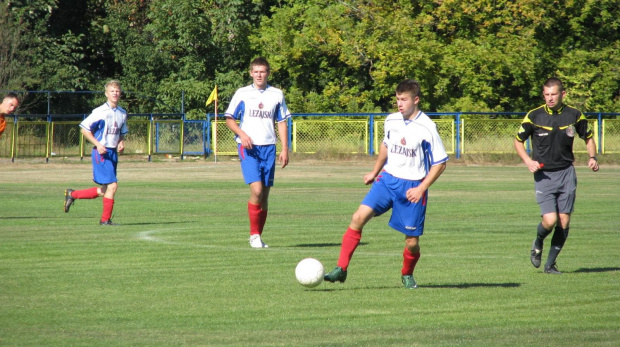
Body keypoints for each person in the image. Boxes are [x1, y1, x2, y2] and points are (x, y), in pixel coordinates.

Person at [323, 79, 448, 289]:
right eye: (398, 99)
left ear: (416, 100)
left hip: (412, 188)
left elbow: (441, 163)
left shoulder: (427, 127)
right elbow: (386, 146)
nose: (400, 104)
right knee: (358, 217)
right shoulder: (391, 120)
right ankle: (341, 269)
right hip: (387, 180)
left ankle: (407, 274)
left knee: (412, 242)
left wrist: (421, 188)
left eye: (404, 99)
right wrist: (375, 171)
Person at [514, 77, 599, 274]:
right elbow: (518, 141)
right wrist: (528, 161)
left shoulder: (575, 115)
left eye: (553, 94)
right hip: (544, 175)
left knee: (564, 221)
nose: (550, 98)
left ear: (563, 94)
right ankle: (538, 242)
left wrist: (592, 157)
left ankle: (550, 265)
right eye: (546, 95)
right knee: (550, 221)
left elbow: (588, 137)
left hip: (567, 173)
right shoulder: (534, 116)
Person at [224, 57, 290, 248]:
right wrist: (242, 134)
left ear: (268, 73)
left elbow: (282, 121)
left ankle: (258, 236)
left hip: (269, 148)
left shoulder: (276, 94)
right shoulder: (242, 93)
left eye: (263, 71)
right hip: (249, 148)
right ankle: (254, 235)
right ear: (251, 73)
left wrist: (285, 148)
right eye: (256, 71)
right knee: (257, 190)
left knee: (265, 196)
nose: (259, 75)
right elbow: (229, 118)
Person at [64, 80, 129, 226]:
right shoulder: (100, 111)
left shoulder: (122, 113)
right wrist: (98, 144)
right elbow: (84, 129)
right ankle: (105, 220)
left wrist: (121, 141)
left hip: (112, 153)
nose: (115, 93)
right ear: (106, 94)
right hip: (101, 153)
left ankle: (72, 194)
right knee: (112, 186)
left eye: (117, 91)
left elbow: (121, 132)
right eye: (112, 91)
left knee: (106, 190)